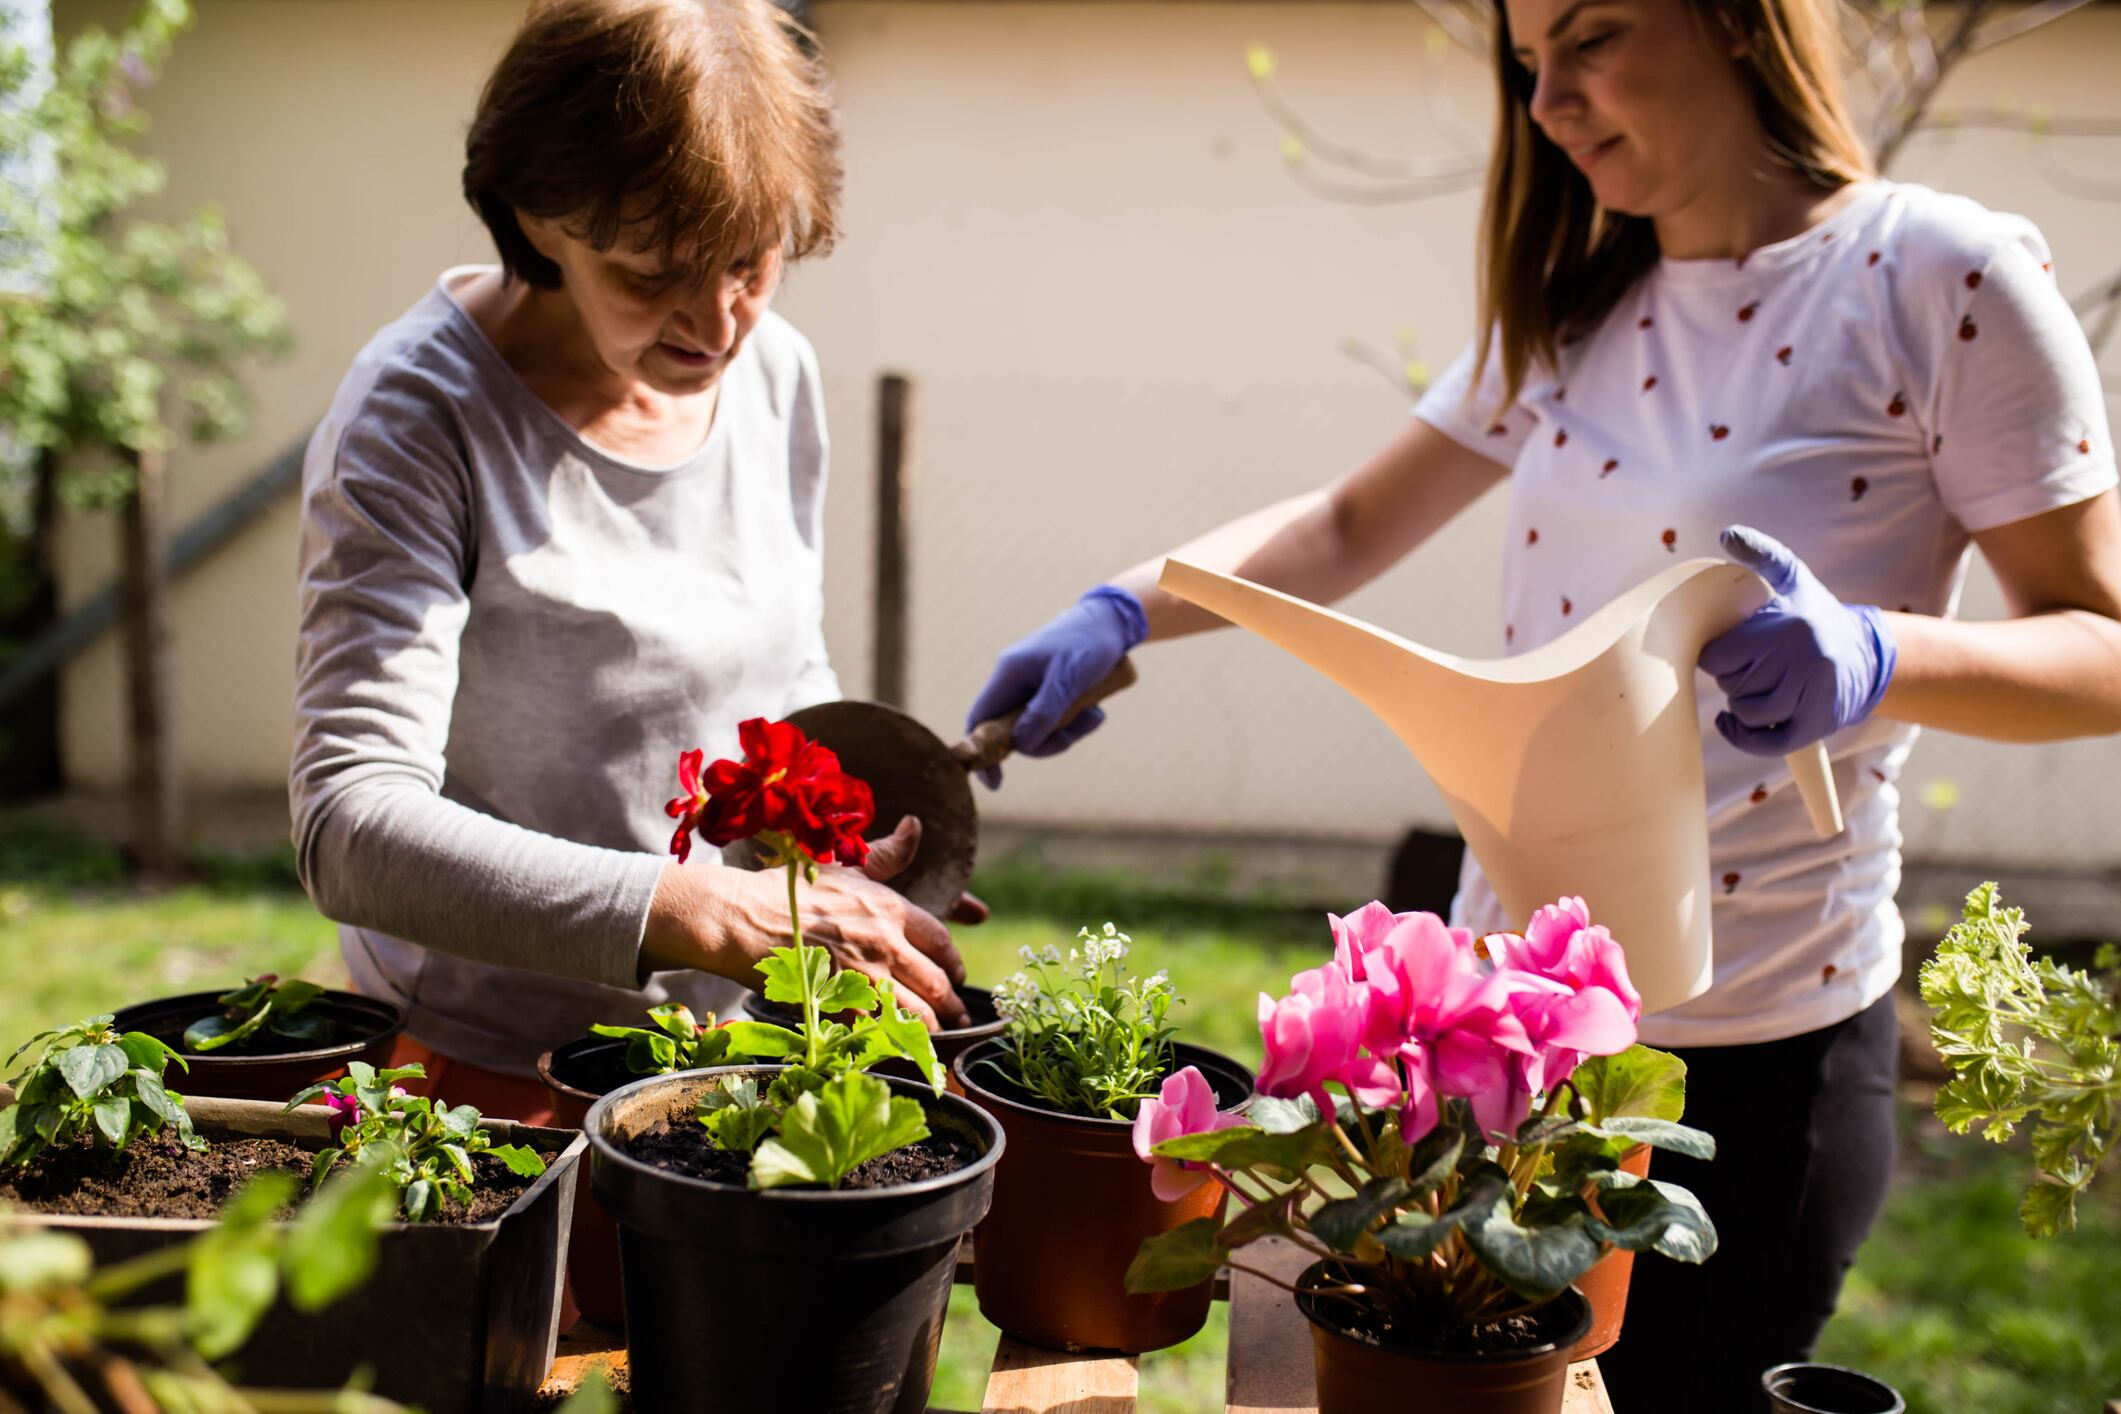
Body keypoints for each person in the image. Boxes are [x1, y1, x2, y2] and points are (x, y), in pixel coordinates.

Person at [964, 2, 2121, 1408]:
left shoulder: (1940, 273)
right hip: (1491, 1030)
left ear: (1737, 23)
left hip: (1753, 1056)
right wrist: (1128, 602)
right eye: (1526, 63)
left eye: (1593, 36)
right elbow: (1342, 524)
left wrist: (1875, 655)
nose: (1551, 100)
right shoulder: (1576, 306)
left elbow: (2099, 646)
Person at [289, 0, 972, 1128]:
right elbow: (351, 828)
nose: (717, 324)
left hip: (737, 1060)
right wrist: (697, 906)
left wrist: (833, 858)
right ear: (538, 217)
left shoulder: (774, 375)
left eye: (751, 261)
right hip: (491, 1088)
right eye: (652, 270)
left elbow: (777, 676)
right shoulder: (417, 420)